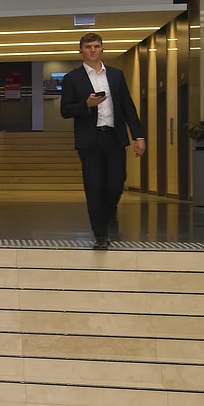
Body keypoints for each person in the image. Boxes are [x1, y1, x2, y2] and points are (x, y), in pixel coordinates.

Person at [59, 32, 146, 249]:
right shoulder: (72, 78)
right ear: (81, 50)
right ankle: (100, 234)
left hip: (115, 137)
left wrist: (139, 136)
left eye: (97, 46)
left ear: (102, 49)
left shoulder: (116, 75)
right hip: (90, 140)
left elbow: (127, 107)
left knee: (116, 184)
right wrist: (86, 105)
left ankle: (107, 213)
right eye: (88, 47)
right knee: (94, 187)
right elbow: (65, 110)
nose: (93, 50)